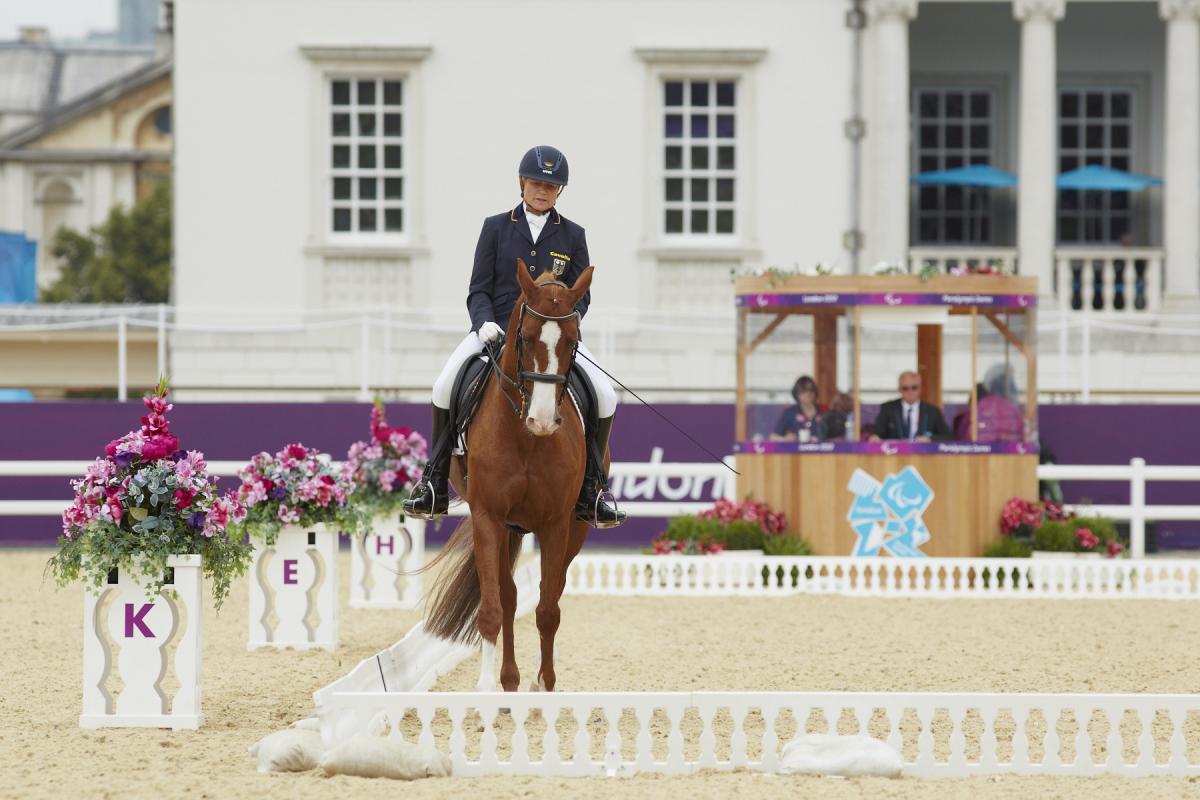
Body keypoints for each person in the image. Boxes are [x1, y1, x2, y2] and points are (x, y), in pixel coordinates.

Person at [403, 145, 625, 528]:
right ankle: (434, 481)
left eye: (552, 186)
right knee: (442, 386)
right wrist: (484, 322)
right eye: (537, 183)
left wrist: (564, 325)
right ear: (522, 183)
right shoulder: (496, 227)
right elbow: (478, 288)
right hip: (497, 330)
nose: (543, 191)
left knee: (605, 394)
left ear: (560, 192)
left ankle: (594, 488)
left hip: (553, 338)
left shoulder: (573, 235)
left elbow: (581, 295)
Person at [870, 370, 952, 442]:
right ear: (899, 389)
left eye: (914, 387)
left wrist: (929, 439)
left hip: (923, 456)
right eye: (905, 388)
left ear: (920, 388)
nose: (910, 391)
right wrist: (875, 437)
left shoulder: (932, 411)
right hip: (894, 456)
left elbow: (948, 436)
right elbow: (878, 433)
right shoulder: (888, 408)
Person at [770, 376, 826, 441]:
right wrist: (785, 439)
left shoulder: (824, 412)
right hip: (795, 450)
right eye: (804, 390)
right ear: (797, 393)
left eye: (811, 389)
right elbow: (773, 437)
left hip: (821, 450)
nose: (808, 393)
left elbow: (837, 438)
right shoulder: (790, 413)